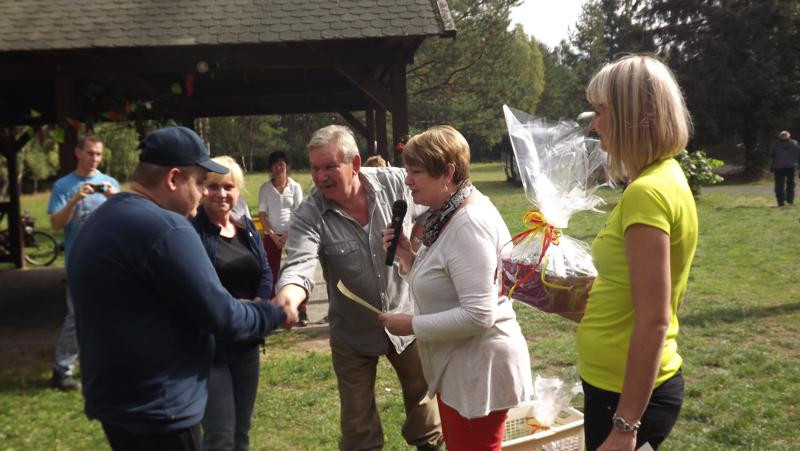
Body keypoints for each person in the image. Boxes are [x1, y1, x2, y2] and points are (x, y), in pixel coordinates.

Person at [68, 126, 293, 451]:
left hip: (115, 402)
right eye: (200, 183)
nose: (203, 194)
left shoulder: (102, 220)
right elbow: (223, 315)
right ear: (174, 178)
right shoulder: (167, 229)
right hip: (160, 407)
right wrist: (275, 313)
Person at [272, 125, 443, 451]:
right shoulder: (310, 213)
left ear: (355, 163)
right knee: (357, 425)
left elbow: (435, 202)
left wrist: (418, 240)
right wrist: (289, 297)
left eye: (329, 166)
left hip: (408, 319)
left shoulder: (396, 182)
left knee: (425, 404)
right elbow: (299, 264)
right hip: (352, 334)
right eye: (315, 168)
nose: (320, 177)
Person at [379, 125, 533, 451]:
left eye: (417, 172)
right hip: (462, 368)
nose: (408, 180)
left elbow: (479, 315)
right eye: (408, 171)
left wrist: (412, 325)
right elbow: (444, 281)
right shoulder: (447, 214)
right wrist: (407, 257)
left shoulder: (468, 223)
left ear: (448, 172)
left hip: (479, 371)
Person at [576, 55, 698, 451]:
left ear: (632, 117)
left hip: (624, 400)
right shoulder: (664, 176)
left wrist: (625, 426)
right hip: (615, 388)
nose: (593, 124)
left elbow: (654, 320)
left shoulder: (647, 192)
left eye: (601, 112)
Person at [192, 156, 272, 451]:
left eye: (228, 187)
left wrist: (258, 305)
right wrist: (239, 312)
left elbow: (265, 271)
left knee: (241, 432)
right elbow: (199, 285)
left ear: (238, 190)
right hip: (210, 348)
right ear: (202, 188)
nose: (221, 194)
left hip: (246, 343)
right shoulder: (192, 231)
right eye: (213, 186)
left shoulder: (246, 228)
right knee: (219, 436)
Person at [47, 134, 120, 391]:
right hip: (80, 262)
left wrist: (114, 199)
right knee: (77, 317)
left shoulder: (110, 183)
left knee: (110, 315)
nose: (94, 159)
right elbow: (55, 224)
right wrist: (75, 199)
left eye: (98, 154)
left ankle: (106, 365)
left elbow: (125, 220)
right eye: (90, 153)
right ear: (78, 153)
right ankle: (61, 371)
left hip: (109, 263)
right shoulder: (64, 186)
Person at [257, 151, 304, 321]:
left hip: (292, 233)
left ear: (287, 166)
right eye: (275, 164)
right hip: (272, 235)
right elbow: (262, 215)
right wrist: (273, 236)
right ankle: (271, 309)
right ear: (271, 168)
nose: (279, 168)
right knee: (269, 272)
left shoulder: (295, 187)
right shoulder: (265, 188)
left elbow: (299, 214)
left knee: (297, 269)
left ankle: (301, 309)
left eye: (282, 164)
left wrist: (287, 235)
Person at [768, 130, 799, 207]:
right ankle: (790, 200)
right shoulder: (794, 143)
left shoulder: (775, 144)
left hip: (779, 167)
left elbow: (771, 155)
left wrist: (771, 166)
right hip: (791, 166)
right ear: (789, 136)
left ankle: (781, 202)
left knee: (779, 185)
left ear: (779, 136)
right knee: (791, 184)